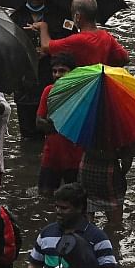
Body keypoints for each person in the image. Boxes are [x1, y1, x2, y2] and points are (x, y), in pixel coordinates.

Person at [9, 0, 70, 140]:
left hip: (52, 81)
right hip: (25, 85)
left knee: (55, 132)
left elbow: (70, 45)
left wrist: (48, 50)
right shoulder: (15, 18)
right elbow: (9, 50)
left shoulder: (61, 17)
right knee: (28, 135)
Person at [30, 0, 129, 68]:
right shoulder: (106, 36)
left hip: (82, 87)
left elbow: (46, 46)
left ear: (77, 16)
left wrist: (43, 27)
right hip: (100, 84)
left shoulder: (78, 40)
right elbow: (124, 58)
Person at [37, 54, 85, 195]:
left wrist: (54, 124)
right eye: (54, 71)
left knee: (75, 199)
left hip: (75, 157)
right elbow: (39, 123)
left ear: (72, 73)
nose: (57, 75)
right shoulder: (49, 91)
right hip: (51, 155)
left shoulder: (81, 93)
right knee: (44, 195)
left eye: (62, 70)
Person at [80, 142, 135, 228]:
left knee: (88, 205)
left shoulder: (88, 129)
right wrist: (122, 174)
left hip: (86, 168)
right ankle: (111, 237)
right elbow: (127, 159)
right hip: (109, 173)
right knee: (115, 221)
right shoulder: (124, 131)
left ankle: (88, 235)